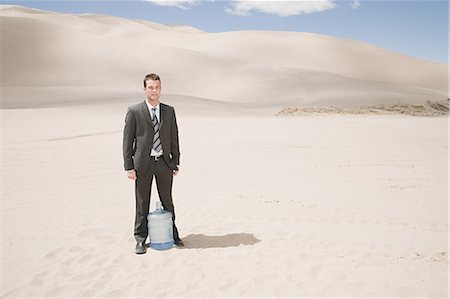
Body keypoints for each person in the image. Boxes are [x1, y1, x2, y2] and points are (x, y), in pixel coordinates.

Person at [123, 73, 183, 254]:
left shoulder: (169, 111)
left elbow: (174, 137)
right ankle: (140, 239)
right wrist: (128, 166)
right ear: (145, 89)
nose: (154, 90)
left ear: (160, 88)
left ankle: (173, 234)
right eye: (150, 87)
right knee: (142, 202)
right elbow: (127, 141)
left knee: (168, 201)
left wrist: (175, 162)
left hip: (164, 162)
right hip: (143, 163)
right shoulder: (134, 111)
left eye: (157, 87)